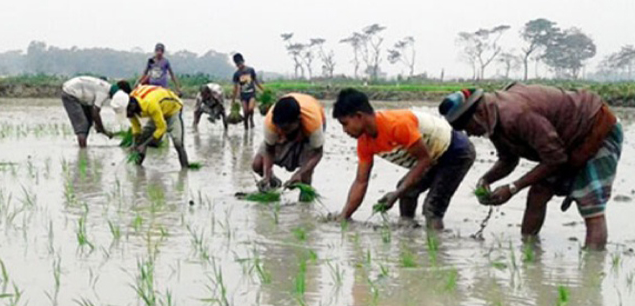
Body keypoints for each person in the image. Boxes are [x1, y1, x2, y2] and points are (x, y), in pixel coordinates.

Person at [439, 84, 624, 250]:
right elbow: (508, 160)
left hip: (594, 129)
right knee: (538, 193)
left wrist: (513, 187)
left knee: (590, 203)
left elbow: (556, 158)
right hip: (563, 144)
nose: (469, 134)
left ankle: (593, 268)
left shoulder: (517, 114)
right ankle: (529, 254)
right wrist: (486, 179)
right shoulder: (493, 120)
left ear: (478, 114)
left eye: (467, 127)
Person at [331, 88, 475, 230]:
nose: (344, 130)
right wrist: (345, 215)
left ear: (359, 116)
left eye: (345, 124)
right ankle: (408, 234)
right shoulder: (364, 142)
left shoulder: (397, 125)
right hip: (432, 155)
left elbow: (425, 160)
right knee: (407, 192)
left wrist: (396, 194)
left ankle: (437, 242)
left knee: (432, 207)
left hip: (456, 151)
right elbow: (361, 181)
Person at [253, 93, 325, 198]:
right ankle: (273, 183)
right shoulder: (271, 123)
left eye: (285, 129)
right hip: (289, 123)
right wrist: (267, 175)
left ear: (298, 120)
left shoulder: (313, 123)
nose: (281, 132)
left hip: (308, 125)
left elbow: (318, 153)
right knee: (257, 164)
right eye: (278, 128)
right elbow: (269, 150)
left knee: (306, 173)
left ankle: (305, 200)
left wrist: (300, 173)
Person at [126, 85, 189, 168]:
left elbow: (162, 128)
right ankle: (137, 169)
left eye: (128, 112)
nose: (128, 114)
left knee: (177, 142)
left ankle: (185, 169)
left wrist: (144, 145)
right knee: (142, 139)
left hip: (173, 109)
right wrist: (134, 144)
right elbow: (136, 128)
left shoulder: (150, 104)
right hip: (159, 110)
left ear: (133, 106)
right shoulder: (128, 103)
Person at [61, 76, 132, 148]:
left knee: (89, 121)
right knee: (82, 125)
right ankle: (82, 151)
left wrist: (98, 126)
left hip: (81, 93)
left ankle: (83, 147)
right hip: (70, 92)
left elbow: (94, 111)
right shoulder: (103, 92)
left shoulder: (106, 87)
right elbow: (95, 113)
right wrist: (104, 131)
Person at [232, 53, 263, 130]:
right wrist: (233, 99)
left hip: (251, 93)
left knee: (250, 109)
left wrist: (263, 90)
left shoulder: (250, 70)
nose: (239, 66)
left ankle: (251, 119)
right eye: (237, 64)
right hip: (243, 95)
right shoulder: (236, 74)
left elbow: (256, 81)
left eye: (240, 63)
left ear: (243, 61)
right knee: (245, 111)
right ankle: (246, 125)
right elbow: (235, 88)